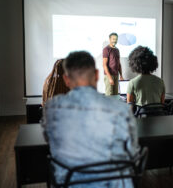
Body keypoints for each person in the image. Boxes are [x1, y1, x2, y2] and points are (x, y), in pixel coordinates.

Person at [41, 51, 139, 187]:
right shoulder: (121, 109)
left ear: (66, 79)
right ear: (98, 75)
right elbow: (132, 153)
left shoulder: (52, 109)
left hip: (71, 182)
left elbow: (49, 141)